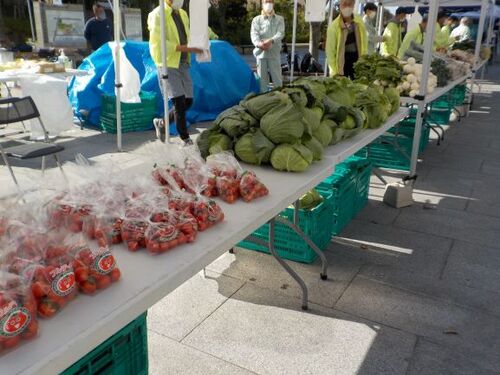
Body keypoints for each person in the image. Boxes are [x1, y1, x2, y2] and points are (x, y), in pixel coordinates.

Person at [148, 0, 203, 145]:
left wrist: (206, 37)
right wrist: (188, 48)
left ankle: (162, 123)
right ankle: (185, 138)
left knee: (188, 101)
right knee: (179, 102)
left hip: (184, 62)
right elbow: (158, 43)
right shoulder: (158, 14)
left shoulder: (183, 13)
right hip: (168, 63)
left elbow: (188, 33)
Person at [325, 0, 367, 78]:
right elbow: (330, 52)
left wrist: (364, 59)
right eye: (344, 4)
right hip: (342, 61)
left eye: (350, 4)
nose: (347, 6)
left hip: (357, 59)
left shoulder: (359, 21)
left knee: (357, 86)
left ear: (354, 5)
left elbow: (364, 42)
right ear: (340, 5)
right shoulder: (333, 27)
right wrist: (335, 72)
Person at [250, 0, 285, 93]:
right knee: (262, 81)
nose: (268, 4)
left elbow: (281, 33)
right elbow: (254, 34)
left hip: (274, 54)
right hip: (261, 54)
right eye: (266, 1)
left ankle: (280, 99)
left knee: (277, 80)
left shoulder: (279, 19)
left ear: (273, 3)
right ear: (262, 3)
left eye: (270, 1)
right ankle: (264, 100)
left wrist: (271, 40)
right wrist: (258, 44)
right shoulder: (256, 19)